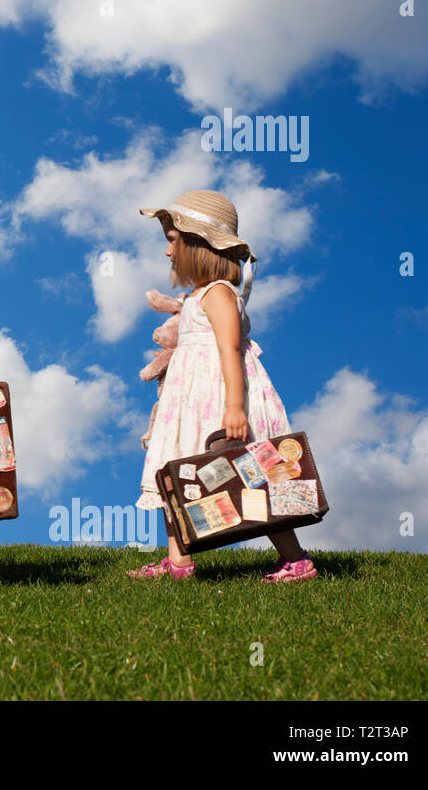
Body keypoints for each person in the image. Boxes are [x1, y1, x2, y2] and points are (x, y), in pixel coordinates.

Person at [128, 190, 317, 583]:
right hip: (192, 401)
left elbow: (230, 348)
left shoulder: (218, 293)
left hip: (219, 398)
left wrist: (234, 407)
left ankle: (296, 559)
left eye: (172, 240)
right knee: (177, 472)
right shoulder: (197, 296)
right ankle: (179, 562)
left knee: (254, 475)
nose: (167, 252)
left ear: (198, 244)